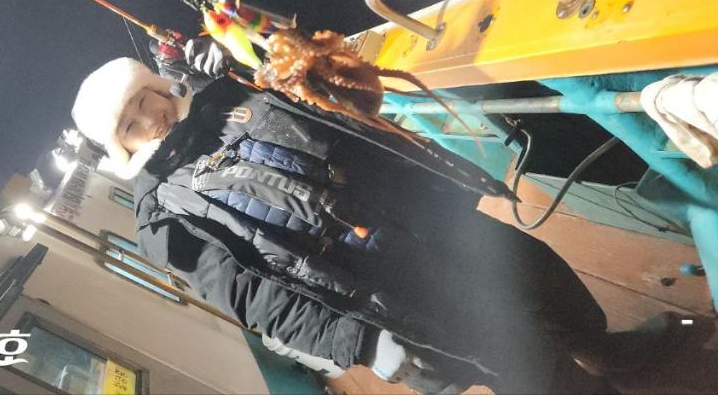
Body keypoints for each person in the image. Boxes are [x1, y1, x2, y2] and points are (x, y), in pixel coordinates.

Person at [71, 43, 686, 394]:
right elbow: (251, 297)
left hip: (427, 216)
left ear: (158, 85)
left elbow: (341, 98)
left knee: (545, 280)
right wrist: (359, 344)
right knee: (525, 363)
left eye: (145, 99)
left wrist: (243, 58)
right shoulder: (160, 215)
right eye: (131, 124)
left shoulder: (228, 92)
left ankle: (608, 352)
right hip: (388, 294)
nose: (150, 118)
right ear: (121, 145)